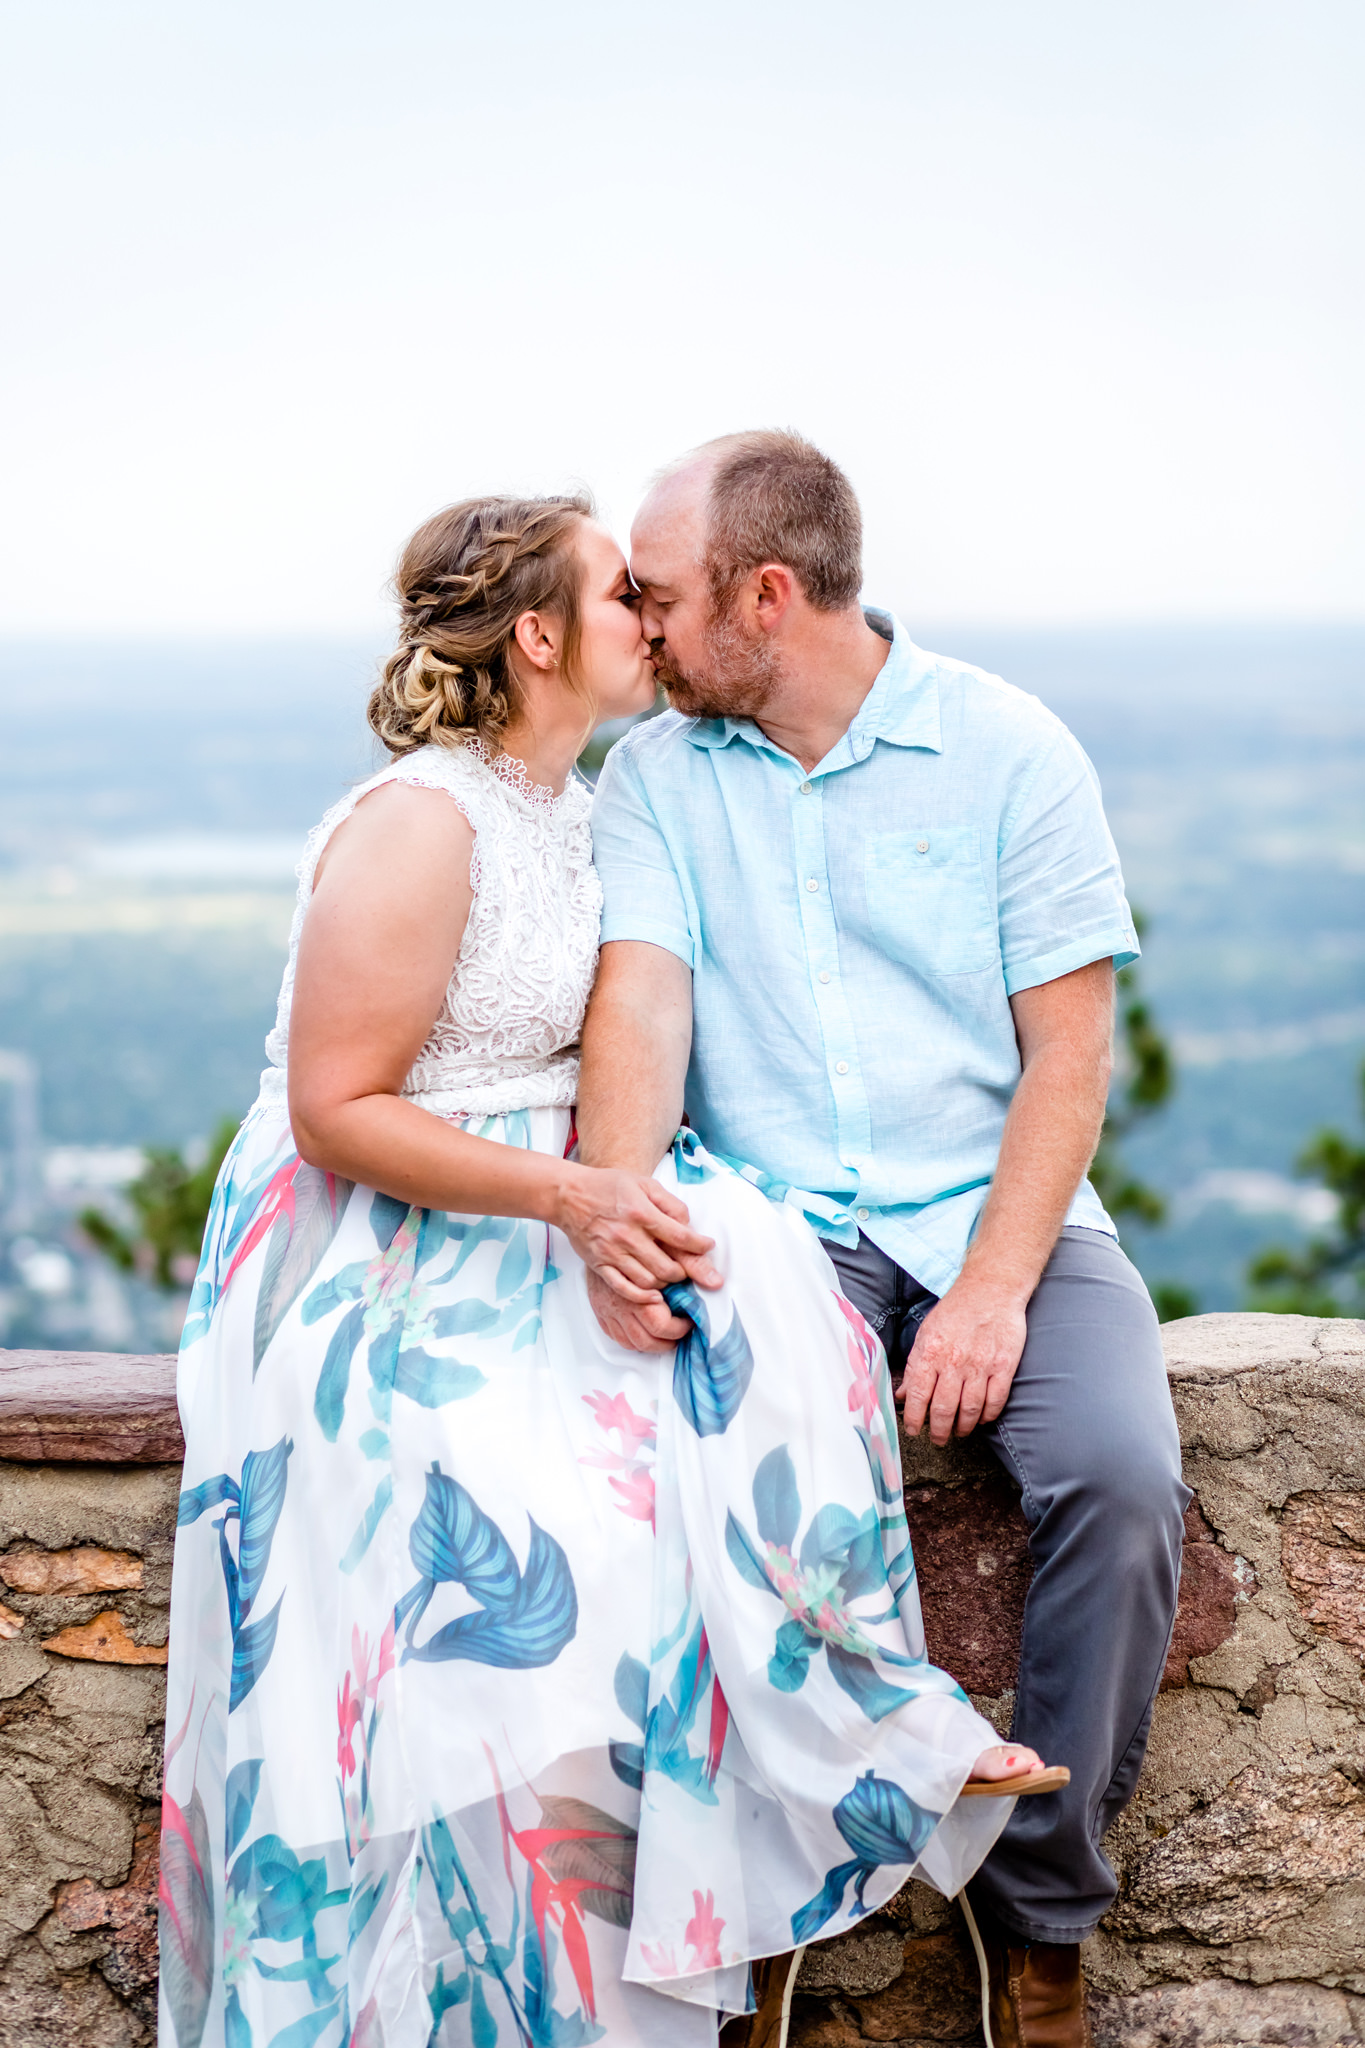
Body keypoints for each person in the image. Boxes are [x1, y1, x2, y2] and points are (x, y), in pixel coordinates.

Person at [159, 492, 1053, 2048]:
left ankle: (854, 1709)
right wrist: (573, 1198)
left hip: (538, 1211)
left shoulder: (590, 804)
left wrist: (613, 1198)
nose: (653, 617)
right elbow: (334, 1109)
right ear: (538, 634)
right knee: (539, 1533)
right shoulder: (424, 823)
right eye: (622, 596)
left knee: (757, 1302)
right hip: (377, 1240)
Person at [580, 431, 1191, 2048]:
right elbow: (640, 997)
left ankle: (1038, 1916)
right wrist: (616, 1208)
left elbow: (1069, 1053)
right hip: (772, 1222)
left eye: (658, 595)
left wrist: (993, 1289)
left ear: (764, 596)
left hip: (994, 1212)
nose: (636, 625)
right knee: (702, 1478)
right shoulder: (648, 776)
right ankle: (760, 1929)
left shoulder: (1008, 748)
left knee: (1122, 1482)